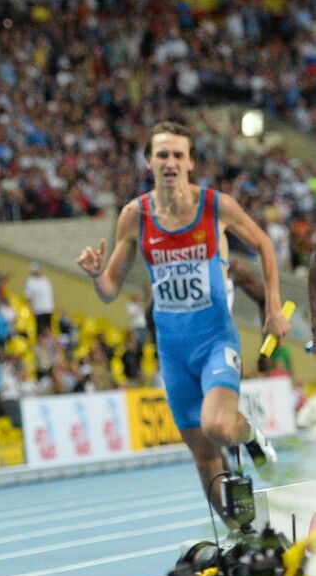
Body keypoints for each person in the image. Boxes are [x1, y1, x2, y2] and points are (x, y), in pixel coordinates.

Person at [78, 121, 290, 521]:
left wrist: (274, 306)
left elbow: (263, 243)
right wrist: (95, 273)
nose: (170, 162)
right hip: (173, 352)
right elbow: (110, 288)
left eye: (178, 154)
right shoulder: (135, 216)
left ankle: (250, 434)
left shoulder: (215, 206)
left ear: (191, 162)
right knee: (202, 455)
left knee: (219, 427)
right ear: (149, 162)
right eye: (162, 154)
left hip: (215, 342)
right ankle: (239, 530)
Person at [23, 262, 55, 337]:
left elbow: (50, 294)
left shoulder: (45, 280)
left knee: (48, 327)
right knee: (40, 328)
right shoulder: (30, 282)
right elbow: (28, 297)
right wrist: (32, 308)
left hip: (48, 308)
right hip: (38, 309)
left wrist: (53, 305)